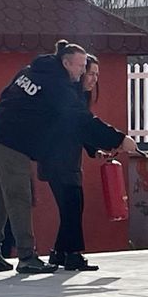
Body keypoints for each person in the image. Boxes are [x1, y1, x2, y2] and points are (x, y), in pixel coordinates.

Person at [0, 41, 137, 274]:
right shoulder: (57, 85)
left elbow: (6, 95)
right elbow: (80, 120)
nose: (83, 72)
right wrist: (118, 139)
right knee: (19, 199)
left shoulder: (30, 71)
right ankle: (26, 257)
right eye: (81, 66)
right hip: (13, 143)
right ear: (65, 62)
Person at [39, 54, 129, 271]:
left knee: (71, 207)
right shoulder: (70, 97)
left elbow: (79, 130)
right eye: (90, 73)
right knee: (73, 206)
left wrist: (93, 149)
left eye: (97, 74)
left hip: (63, 160)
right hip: (59, 160)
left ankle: (60, 253)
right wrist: (119, 139)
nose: (93, 79)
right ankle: (73, 255)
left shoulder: (77, 98)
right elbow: (82, 124)